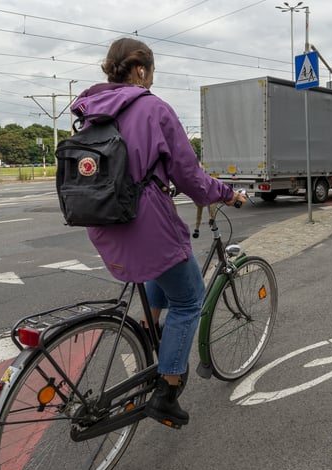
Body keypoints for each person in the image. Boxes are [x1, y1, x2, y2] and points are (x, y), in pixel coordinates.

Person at [71, 38, 247, 429]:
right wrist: (228, 194)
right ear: (139, 70)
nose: (150, 79)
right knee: (190, 299)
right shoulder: (152, 108)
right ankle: (168, 390)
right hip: (145, 223)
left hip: (103, 223)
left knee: (161, 271)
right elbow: (192, 180)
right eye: (149, 71)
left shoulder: (90, 111)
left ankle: (152, 334)